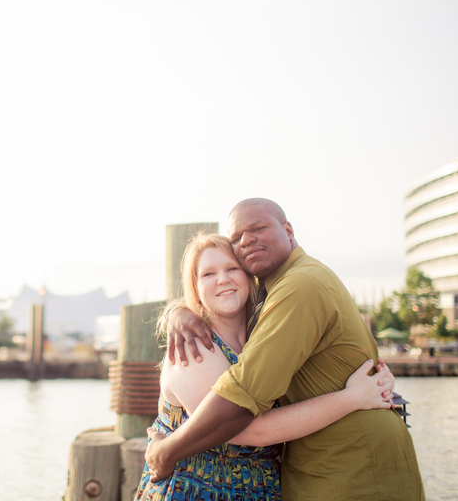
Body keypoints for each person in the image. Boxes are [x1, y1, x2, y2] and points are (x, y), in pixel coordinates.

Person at [145, 199, 424, 501]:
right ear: (195, 287)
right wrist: (177, 311)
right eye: (208, 274)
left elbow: (245, 411)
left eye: (231, 268)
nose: (223, 278)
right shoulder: (194, 347)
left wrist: (166, 451)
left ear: (288, 230)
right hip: (201, 489)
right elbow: (246, 427)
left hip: (346, 460)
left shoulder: (294, 289)